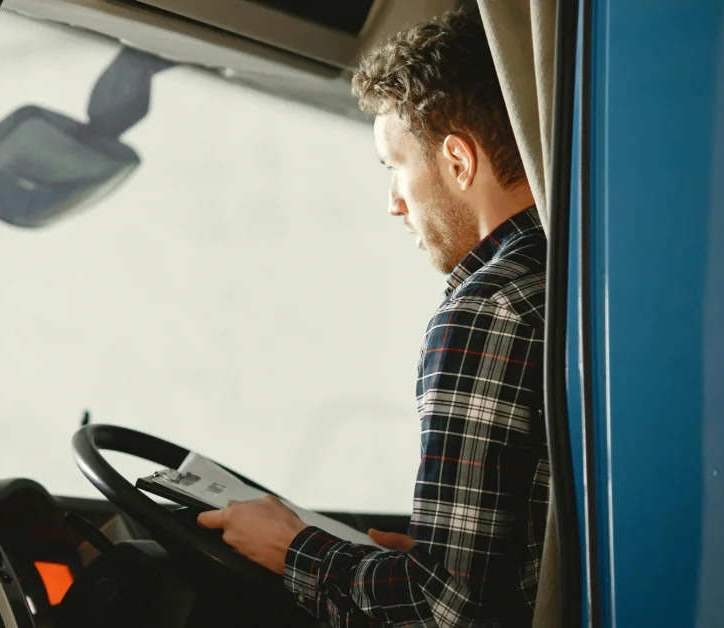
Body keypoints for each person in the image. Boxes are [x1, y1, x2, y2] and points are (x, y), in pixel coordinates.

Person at [197, 9, 550, 627]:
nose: (393, 203)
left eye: (395, 166)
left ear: (459, 161)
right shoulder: (572, 278)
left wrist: (291, 549)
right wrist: (420, 560)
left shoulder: (489, 307)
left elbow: (443, 610)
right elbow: (508, 565)